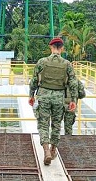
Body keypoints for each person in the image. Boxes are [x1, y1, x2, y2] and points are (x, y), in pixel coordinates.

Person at [28, 37, 78, 165]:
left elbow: (34, 81)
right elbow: (73, 83)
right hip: (58, 97)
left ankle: (46, 151)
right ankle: (53, 149)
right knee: (56, 124)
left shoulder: (42, 62)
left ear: (51, 47)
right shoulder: (67, 64)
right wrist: (73, 100)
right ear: (62, 48)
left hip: (43, 96)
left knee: (43, 124)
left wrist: (31, 95)